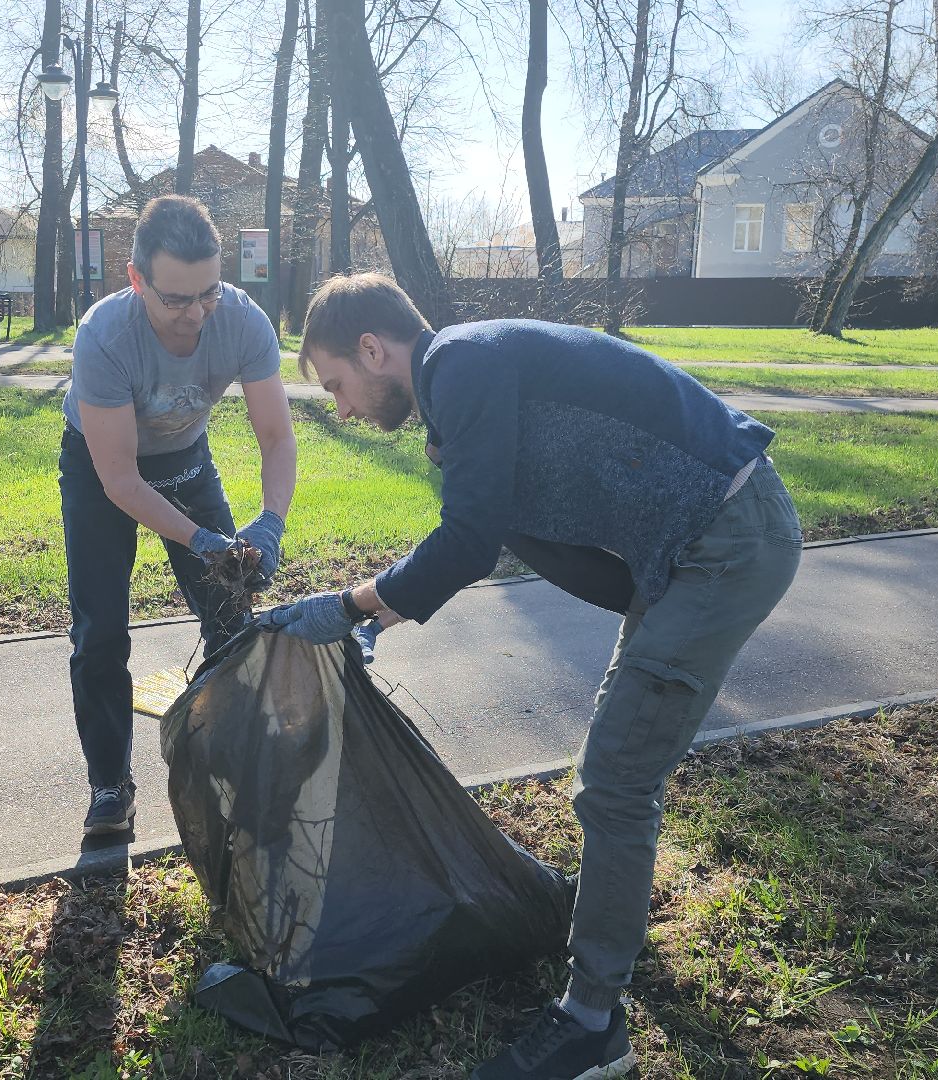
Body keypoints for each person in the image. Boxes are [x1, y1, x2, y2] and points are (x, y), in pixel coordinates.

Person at [265, 274, 802, 1080]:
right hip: (698, 549)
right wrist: (382, 614)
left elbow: (470, 540)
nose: (340, 407)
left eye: (336, 383)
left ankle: (593, 1026)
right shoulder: (463, 394)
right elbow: (506, 524)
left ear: (373, 348)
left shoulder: (459, 362)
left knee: (616, 781)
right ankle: (605, 921)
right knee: (616, 763)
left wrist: (348, 604)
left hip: (727, 538)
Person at [62, 194, 296, 835]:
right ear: (136, 280)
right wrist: (201, 539)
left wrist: (269, 524)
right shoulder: (104, 335)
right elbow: (119, 479)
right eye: (176, 299)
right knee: (100, 629)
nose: (196, 314)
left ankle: (242, 767)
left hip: (184, 455)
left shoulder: (243, 322)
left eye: (209, 293)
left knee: (231, 612)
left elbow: (276, 437)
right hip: (101, 464)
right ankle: (110, 786)